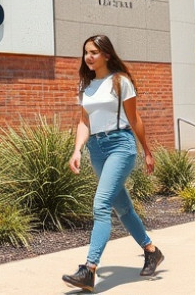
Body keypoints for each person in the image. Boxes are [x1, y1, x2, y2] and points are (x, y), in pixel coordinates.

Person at [62, 34, 164, 292]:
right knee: (123, 209)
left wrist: (147, 151)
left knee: (101, 204)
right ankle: (151, 250)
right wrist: (77, 150)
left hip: (121, 145)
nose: (88, 57)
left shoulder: (121, 81)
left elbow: (135, 118)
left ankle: (89, 269)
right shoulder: (85, 85)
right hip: (96, 149)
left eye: (94, 52)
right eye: (86, 52)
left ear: (106, 55)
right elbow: (84, 121)